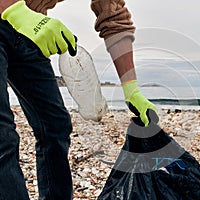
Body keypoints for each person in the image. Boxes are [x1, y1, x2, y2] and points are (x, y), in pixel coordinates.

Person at [0, 0, 157, 199]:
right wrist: (17, 11)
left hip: (26, 31)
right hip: (17, 16)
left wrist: (131, 88)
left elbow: (114, 17)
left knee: (55, 127)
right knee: (2, 135)